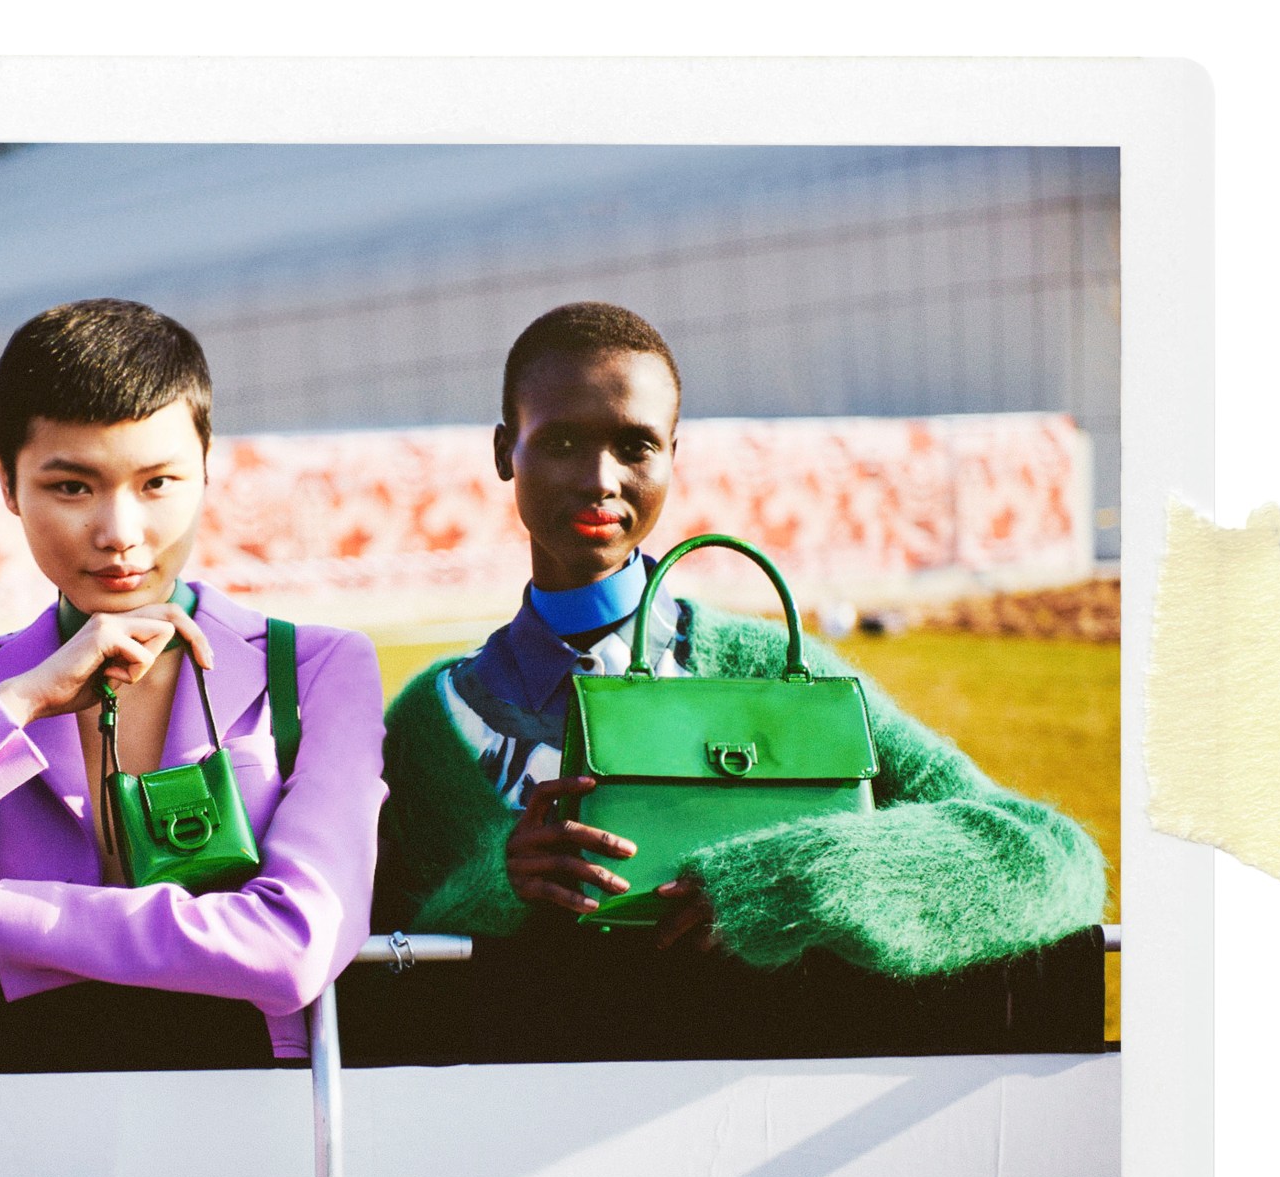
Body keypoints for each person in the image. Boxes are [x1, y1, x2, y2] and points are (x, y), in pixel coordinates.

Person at [372, 302, 1105, 993]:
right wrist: (497, 882)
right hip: (532, 1113)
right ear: (506, 451)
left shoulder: (777, 674)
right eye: (562, 441)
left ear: (672, 457)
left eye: (636, 445)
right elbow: (370, 966)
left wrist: (803, 875)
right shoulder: (433, 724)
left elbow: (1054, 860)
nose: (601, 480)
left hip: (760, 1108)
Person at [0, 299, 387, 1061]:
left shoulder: (315, 669)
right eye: (73, 487)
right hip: (26, 1116)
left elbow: (293, 949)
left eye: (158, 483)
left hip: (254, 1114)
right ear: (7, 482)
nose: (120, 534)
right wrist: (20, 702)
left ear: (207, 469)